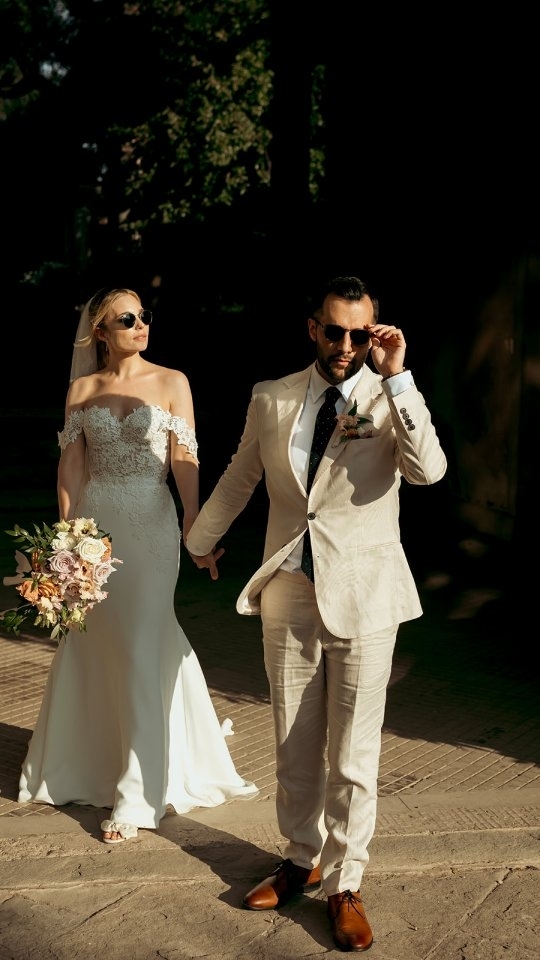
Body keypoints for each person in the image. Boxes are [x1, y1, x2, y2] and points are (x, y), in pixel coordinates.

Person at [186, 275, 447, 952]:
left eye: (361, 334)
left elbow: (430, 473)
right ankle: (302, 860)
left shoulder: (391, 396)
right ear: (312, 328)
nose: (346, 345)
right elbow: (243, 474)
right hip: (289, 592)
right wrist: (197, 542)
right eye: (335, 331)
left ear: (376, 335)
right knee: (293, 743)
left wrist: (400, 379)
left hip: (367, 594)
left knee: (355, 752)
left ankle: (348, 883)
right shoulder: (272, 397)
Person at [18, 287, 258, 843]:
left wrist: (198, 529)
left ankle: (139, 794)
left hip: (152, 527)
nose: (141, 325)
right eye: (127, 319)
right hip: (96, 528)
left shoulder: (173, 382)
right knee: (97, 639)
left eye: (145, 315)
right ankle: (85, 763)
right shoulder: (83, 389)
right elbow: (71, 467)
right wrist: (66, 541)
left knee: (144, 637)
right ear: (100, 331)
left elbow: (184, 459)